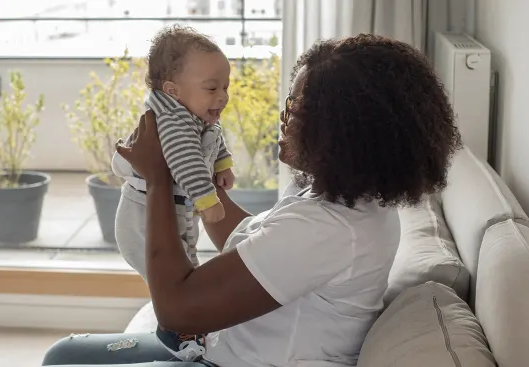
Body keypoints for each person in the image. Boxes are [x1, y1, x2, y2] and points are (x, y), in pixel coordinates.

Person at [42, 34, 462, 367]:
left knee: (60, 360)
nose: (283, 117)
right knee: (62, 354)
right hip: (215, 348)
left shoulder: (328, 230)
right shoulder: (345, 198)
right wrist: (198, 180)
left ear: (341, 129)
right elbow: (253, 240)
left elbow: (175, 310)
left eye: (295, 108)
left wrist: (156, 180)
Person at [111, 25, 237, 360]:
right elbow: (186, 162)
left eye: (226, 86)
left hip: (170, 209)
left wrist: (223, 164)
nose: (222, 96)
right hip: (143, 217)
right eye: (212, 88)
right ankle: (178, 332)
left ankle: (188, 325)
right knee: (179, 275)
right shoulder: (173, 122)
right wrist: (207, 200)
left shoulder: (197, 115)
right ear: (172, 90)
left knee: (187, 267)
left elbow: (214, 139)